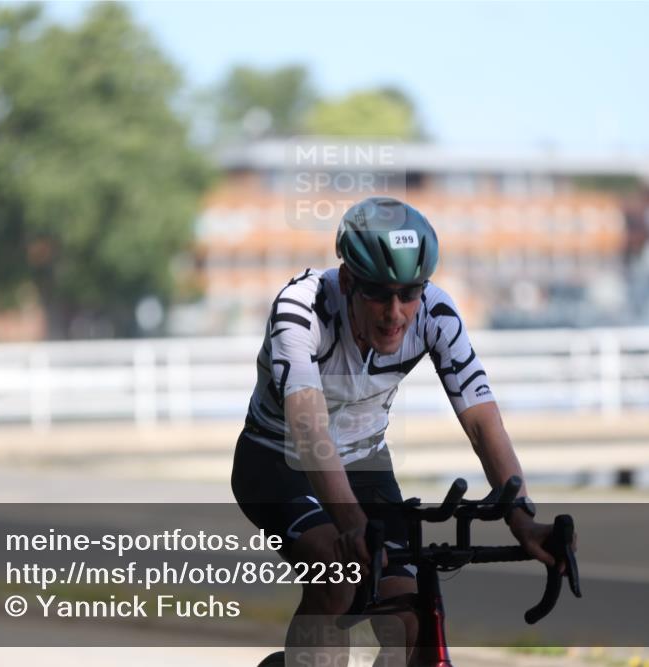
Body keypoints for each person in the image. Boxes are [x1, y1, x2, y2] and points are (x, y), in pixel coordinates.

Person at [231, 196, 559, 666]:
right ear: (347, 281)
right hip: (278, 460)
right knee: (337, 577)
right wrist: (354, 526)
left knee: (411, 617)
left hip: (364, 462)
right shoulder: (301, 311)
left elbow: (483, 420)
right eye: (378, 293)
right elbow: (307, 425)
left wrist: (522, 517)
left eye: (409, 292)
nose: (396, 312)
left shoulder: (436, 313)